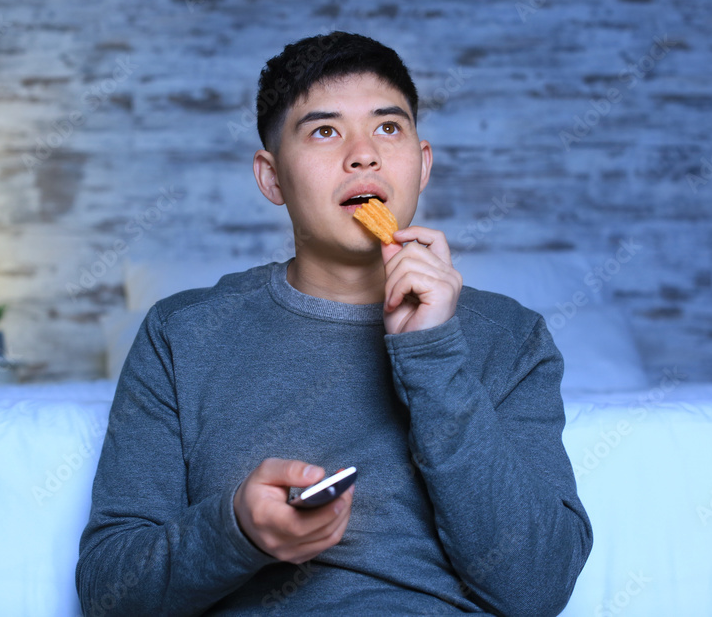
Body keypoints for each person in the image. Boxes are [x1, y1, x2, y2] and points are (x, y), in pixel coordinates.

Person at [76, 31, 592, 616]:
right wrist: (237, 531)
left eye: (388, 127)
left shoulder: (510, 336)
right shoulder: (182, 333)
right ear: (272, 178)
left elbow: (539, 589)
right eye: (325, 130)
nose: (363, 154)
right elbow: (106, 594)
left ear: (422, 165)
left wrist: (433, 356)